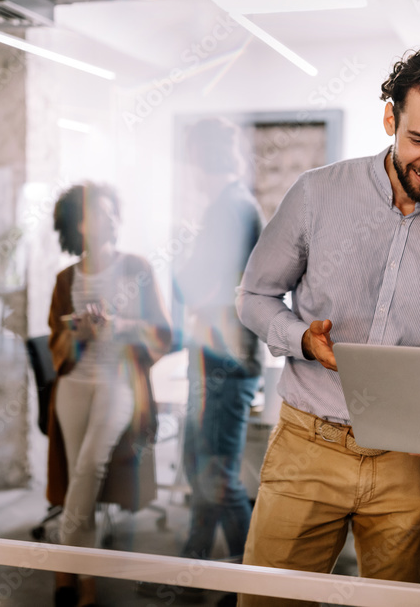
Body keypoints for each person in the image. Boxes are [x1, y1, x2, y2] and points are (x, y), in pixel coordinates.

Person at [234, 48, 420, 606]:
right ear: (389, 120)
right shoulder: (317, 193)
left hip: (408, 457)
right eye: (418, 139)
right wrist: (302, 339)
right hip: (308, 443)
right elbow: (254, 296)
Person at [46, 182, 172, 607]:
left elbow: (162, 333)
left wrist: (116, 326)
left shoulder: (136, 267)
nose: (111, 219)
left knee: (86, 470)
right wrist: (77, 333)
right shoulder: (66, 279)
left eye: (112, 211)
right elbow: (57, 346)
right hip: (74, 384)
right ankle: (85, 585)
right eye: (99, 213)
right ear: (77, 225)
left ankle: (68, 574)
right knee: (76, 479)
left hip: (119, 380)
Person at [175, 118, 264, 563]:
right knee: (201, 467)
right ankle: (194, 565)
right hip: (219, 356)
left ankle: (249, 580)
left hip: (226, 361)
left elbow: (195, 283)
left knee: (218, 474)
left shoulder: (227, 208)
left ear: (197, 157)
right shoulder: (233, 204)